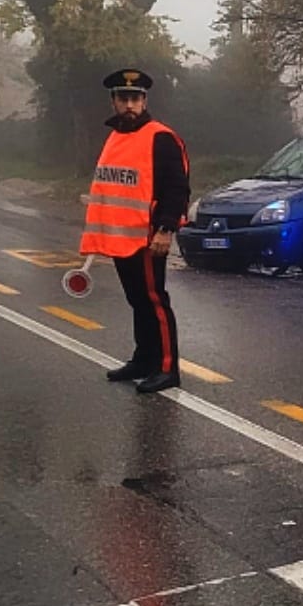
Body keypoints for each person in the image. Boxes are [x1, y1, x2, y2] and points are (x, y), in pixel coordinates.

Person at [81, 69, 191, 393]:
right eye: (123, 98)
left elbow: (177, 188)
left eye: (135, 98)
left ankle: (168, 368)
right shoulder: (115, 137)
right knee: (136, 300)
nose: (129, 104)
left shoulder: (161, 137)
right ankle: (143, 359)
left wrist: (166, 230)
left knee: (155, 301)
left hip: (147, 238)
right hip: (120, 237)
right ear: (113, 101)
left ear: (144, 101)